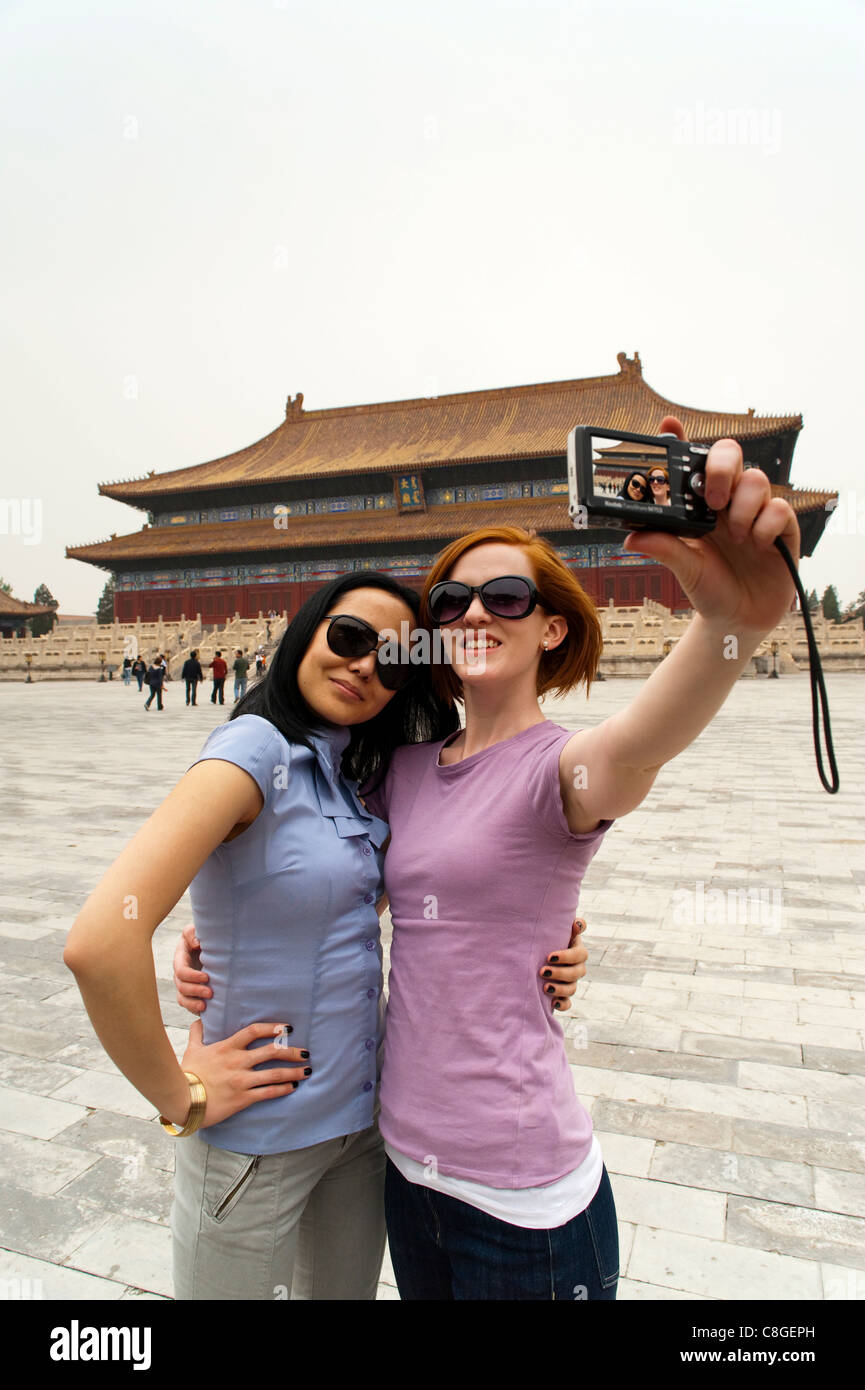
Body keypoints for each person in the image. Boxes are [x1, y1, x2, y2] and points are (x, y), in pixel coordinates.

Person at [180, 413, 800, 1300]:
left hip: (524, 1200)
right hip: (401, 1170)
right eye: (450, 601)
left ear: (550, 628)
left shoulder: (563, 768)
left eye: (506, 596)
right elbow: (323, 881)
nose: (474, 612)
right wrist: (212, 947)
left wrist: (731, 627)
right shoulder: (397, 772)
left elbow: (638, 745)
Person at [65, 571, 586, 1303]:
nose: (367, 664)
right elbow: (98, 938)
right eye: (348, 637)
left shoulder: (352, 770)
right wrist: (176, 1092)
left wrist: (548, 948)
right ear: (304, 632)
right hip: (258, 1140)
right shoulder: (254, 749)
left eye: (395, 660)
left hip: (361, 1133)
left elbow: (394, 897)